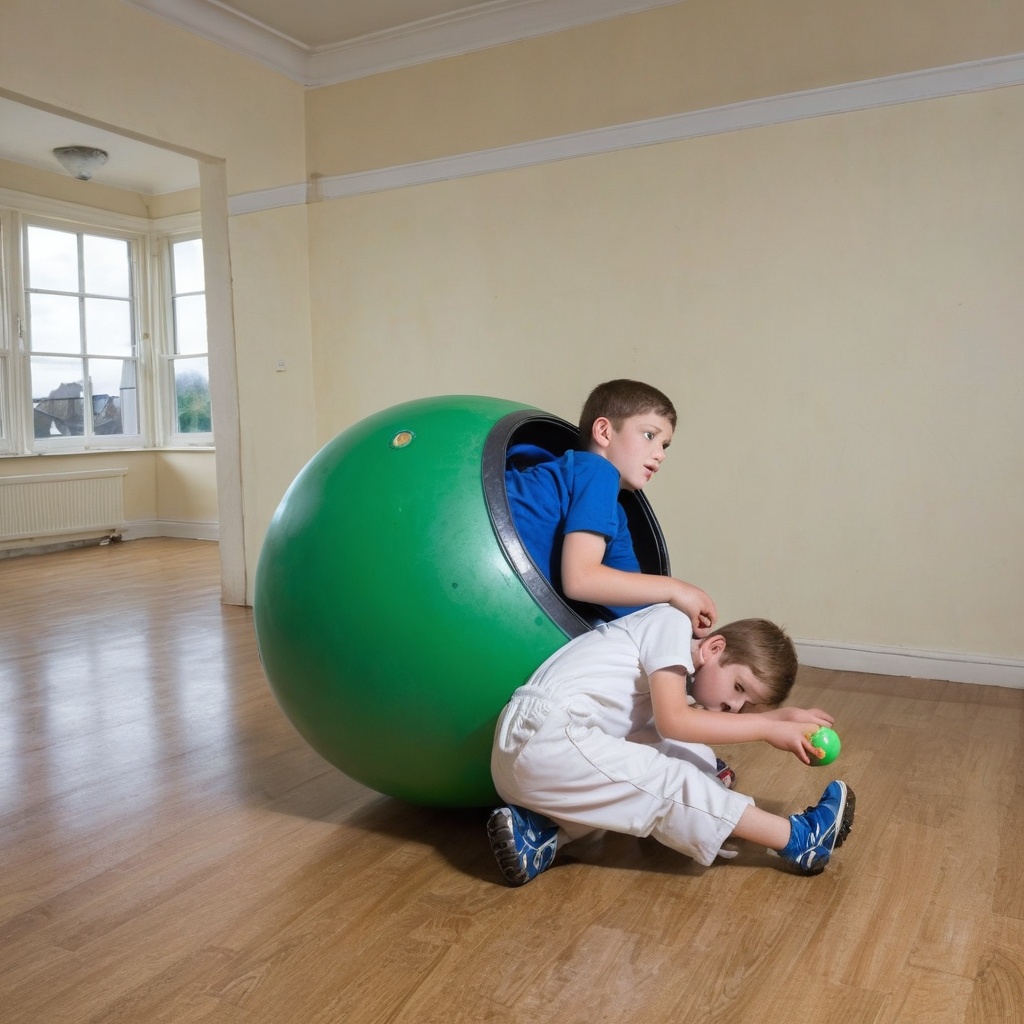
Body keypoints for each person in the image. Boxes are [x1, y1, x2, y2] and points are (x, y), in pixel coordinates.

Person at [487, 605, 855, 886]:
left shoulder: (669, 671)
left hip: (532, 765)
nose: (735, 706)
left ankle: (542, 834)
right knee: (670, 778)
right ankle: (799, 839)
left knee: (686, 755)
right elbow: (675, 721)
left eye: (747, 705)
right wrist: (764, 727)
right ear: (714, 647)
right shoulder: (672, 624)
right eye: (739, 687)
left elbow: (672, 729)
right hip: (545, 735)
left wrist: (780, 717)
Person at [505, 379, 716, 632]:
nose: (660, 454)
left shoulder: (616, 514)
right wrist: (677, 590)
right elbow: (581, 580)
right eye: (649, 435)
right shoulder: (597, 471)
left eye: (664, 445)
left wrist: (687, 632)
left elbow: (637, 610)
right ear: (604, 432)